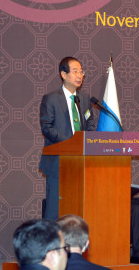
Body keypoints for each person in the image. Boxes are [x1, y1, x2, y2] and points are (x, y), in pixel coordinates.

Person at [39, 56, 96, 220]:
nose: (80, 75)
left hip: (81, 162)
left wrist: (90, 143)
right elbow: (47, 127)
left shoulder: (84, 99)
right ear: (63, 74)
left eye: (81, 71)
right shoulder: (51, 98)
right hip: (59, 162)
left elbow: (89, 125)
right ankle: (51, 243)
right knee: (55, 211)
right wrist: (70, 144)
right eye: (75, 71)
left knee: (79, 209)